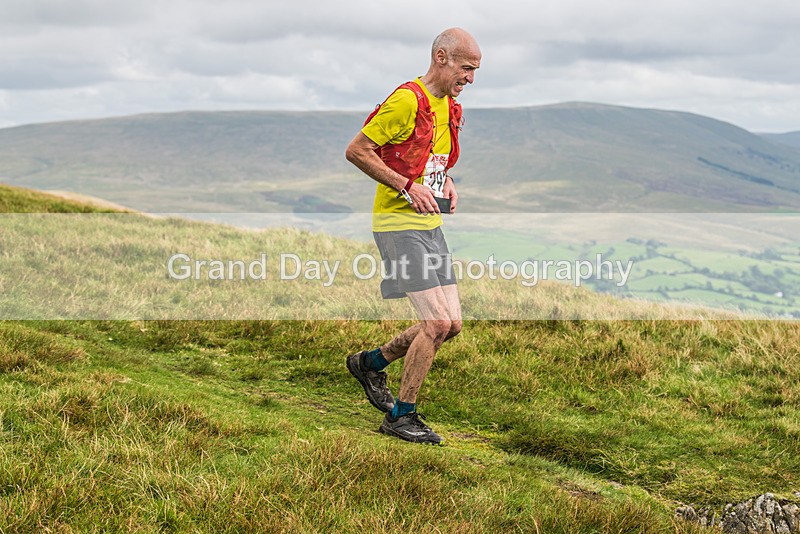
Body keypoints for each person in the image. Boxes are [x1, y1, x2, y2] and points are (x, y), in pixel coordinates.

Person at [344, 28, 481, 445]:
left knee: (451, 325)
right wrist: (405, 186)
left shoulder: (448, 105)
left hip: (429, 226)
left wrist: (447, 182)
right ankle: (401, 416)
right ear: (441, 57)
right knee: (435, 323)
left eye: (475, 71)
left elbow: (432, 162)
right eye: (466, 68)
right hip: (397, 226)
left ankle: (370, 364)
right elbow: (357, 150)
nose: (470, 78)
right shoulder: (407, 100)